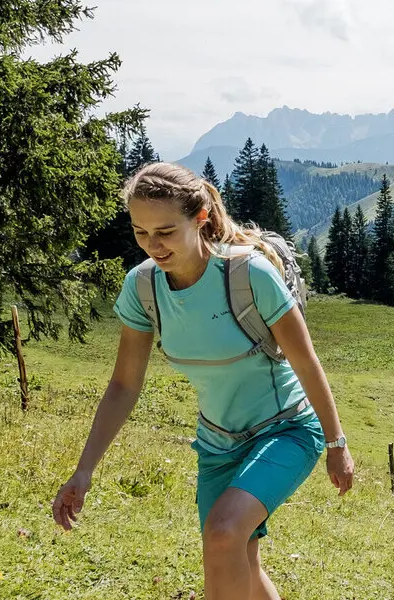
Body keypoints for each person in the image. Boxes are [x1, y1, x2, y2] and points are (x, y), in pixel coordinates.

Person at [51, 162, 354, 600]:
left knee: (223, 533)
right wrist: (84, 470)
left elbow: (306, 362)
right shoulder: (142, 288)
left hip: (286, 429)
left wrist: (336, 444)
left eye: (166, 232)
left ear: (200, 219)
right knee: (240, 557)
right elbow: (123, 385)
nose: (153, 245)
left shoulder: (249, 275)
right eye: (140, 232)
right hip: (217, 444)